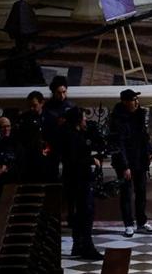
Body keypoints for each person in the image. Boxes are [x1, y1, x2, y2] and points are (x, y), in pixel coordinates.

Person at [110, 88, 152, 237]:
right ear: (125, 102)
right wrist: (124, 166)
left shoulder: (139, 115)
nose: (136, 102)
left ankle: (142, 222)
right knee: (126, 193)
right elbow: (118, 144)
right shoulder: (117, 118)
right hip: (126, 162)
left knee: (141, 192)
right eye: (133, 100)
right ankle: (128, 224)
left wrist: (149, 150)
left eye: (137, 99)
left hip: (140, 160)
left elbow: (144, 135)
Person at [61, 107, 103, 260]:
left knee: (82, 214)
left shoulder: (76, 134)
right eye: (84, 118)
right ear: (78, 121)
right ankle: (86, 246)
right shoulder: (71, 136)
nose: (86, 120)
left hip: (79, 179)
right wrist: (91, 160)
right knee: (85, 213)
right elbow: (73, 160)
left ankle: (78, 245)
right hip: (78, 180)